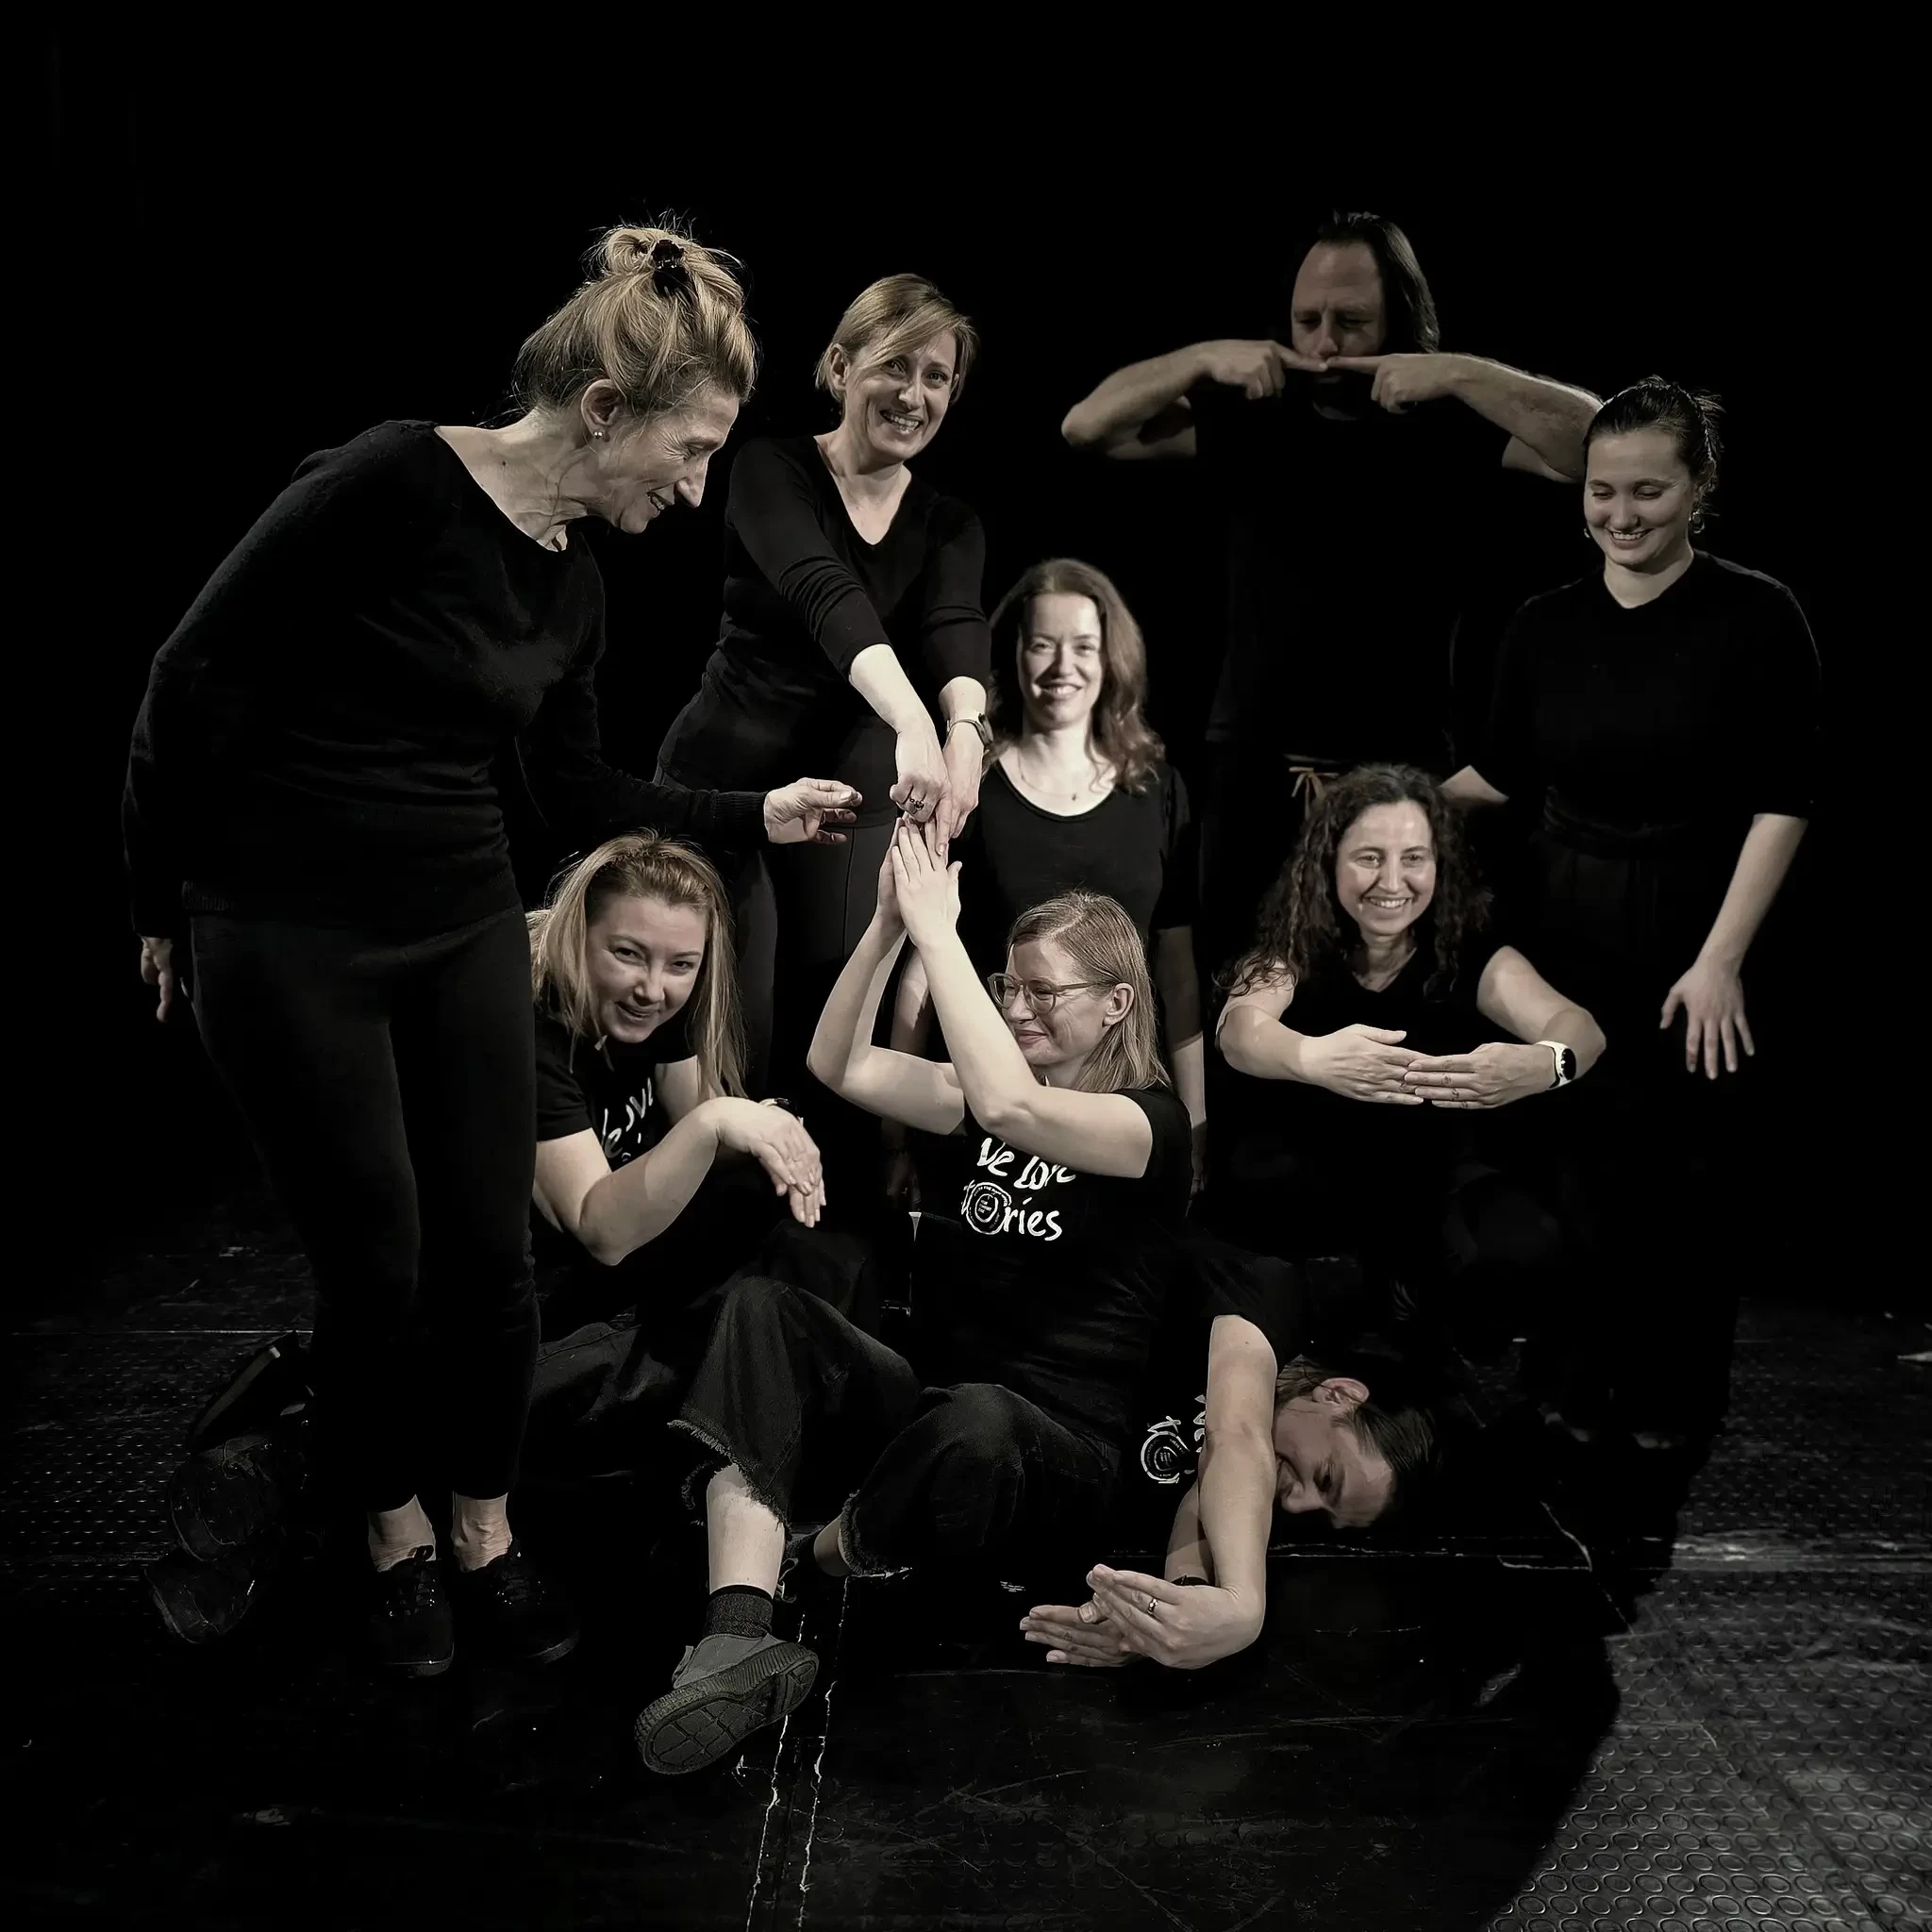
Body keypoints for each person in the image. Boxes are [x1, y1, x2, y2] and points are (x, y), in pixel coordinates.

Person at [123, 223, 860, 1679]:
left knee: (490, 1254)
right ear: (606, 409)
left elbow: (577, 794)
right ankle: (393, 1536)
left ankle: (483, 1527)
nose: (695, 488)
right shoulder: (389, 480)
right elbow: (188, 675)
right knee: (380, 1262)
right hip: (286, 925)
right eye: (691, 450)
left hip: (457, 915)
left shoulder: (575, 590)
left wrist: (755, 816)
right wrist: (157, 897)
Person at [630, 834, 1200, 1774]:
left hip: (1048, 1456)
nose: (1014, 1007)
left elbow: (1015, 1109)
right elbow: (837, 1062)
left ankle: (809, 1561)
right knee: (769, 1306)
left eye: (1041, 991)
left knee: (979, 1422)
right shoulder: (983, 1098)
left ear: (1116, 1003)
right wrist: (890, 926)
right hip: (933, 1412)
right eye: (1007, 986)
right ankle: (736, 1632)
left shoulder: (1148, 1125)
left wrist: (940, 932)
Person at [1060, 209, 1600, 986]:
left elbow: (1597, 445)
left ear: (1397, 324)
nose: (1323, 346)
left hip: (1400, 771)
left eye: (1350, 323)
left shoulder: (1448, 424)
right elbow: (1086, 427)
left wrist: (1454, 371)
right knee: (1240, 981)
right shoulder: (1251, 418)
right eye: (1307, 321)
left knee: (1393, 988)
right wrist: (1203, 358)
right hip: (1252, 768)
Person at [1443, 377, 1821, 1445]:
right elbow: (1499, 776)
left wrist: (1719, 961)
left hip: (1701, 923)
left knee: (1686, 1176)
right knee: (1573, 1162)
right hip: (1564, 916)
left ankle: (1670, 1408)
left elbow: (1786, 796)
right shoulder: (1543, 623)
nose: (1620, 514)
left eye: (1647, 491)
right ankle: (1567, 1392)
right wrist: (1378, 803)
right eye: (1601, 491)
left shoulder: (1758, 616)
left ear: (1698, 488)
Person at [656, 274, 993, 1143]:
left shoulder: (950, 523)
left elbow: (956, 627)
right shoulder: (770, 469)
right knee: (737, 1031)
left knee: (832, 1029)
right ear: (841, 368)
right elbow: (824, 591)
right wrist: (914, 721)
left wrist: (964, 730)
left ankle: (825, 1212)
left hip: (844, 812)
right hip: (726, 793)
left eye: (937, 376)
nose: (914, 395)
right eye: (895, 366)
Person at [1211, 764, 1605, 1364]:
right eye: (1369, 858)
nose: (1392, 882)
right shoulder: (1291, 944)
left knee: (1522, 1244)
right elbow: (1239, 1031)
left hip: (1432, 1179)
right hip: (1313, 1174)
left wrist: (1545, 1063)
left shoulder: (1468, 951)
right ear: (1330, 862)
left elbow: (1581, 1029)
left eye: (1414, 858)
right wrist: (1312, 1057)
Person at [890, 558, 1204, 1193]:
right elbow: (923, 965)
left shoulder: (1159, 793)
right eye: (1042, 645)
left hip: (1118, 1115)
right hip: (987, 1104)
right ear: (1013, 655)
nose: (1063, 667)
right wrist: (895, 1135)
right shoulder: (970, 790)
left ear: (1111, 658)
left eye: (1083, 646)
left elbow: (1176, 973)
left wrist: (1195, 1123)